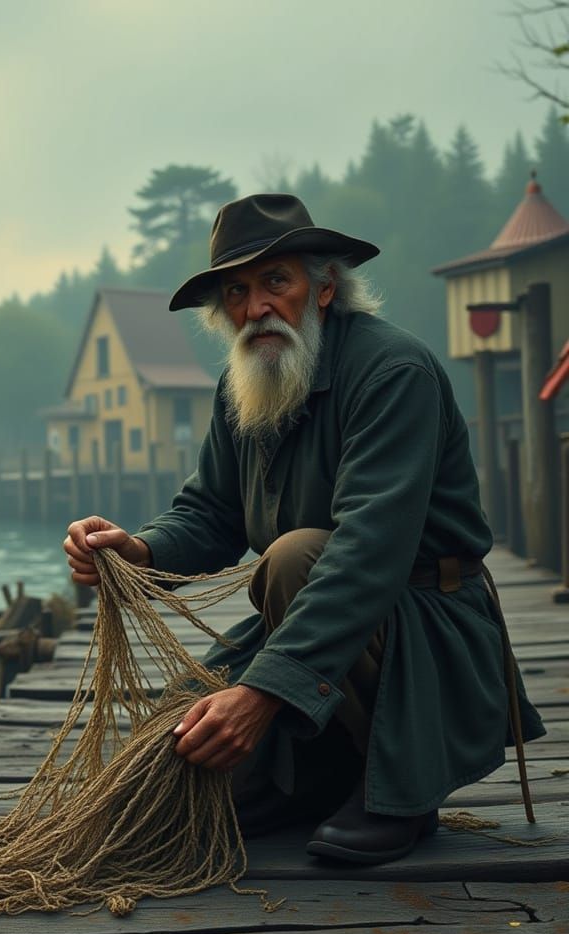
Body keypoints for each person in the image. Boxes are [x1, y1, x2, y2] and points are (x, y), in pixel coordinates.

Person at [64, 193, 545, 865]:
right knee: (159, 789)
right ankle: (333, 767)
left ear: (323, 289)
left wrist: (260, 695)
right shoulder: (243, 387)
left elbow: (366, 552)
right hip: (314, 638)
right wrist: (136, 550)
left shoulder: (391, 371)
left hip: (423, 633)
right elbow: (210, 514)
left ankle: (397, 791)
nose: (257, 305)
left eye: (276, 282)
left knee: (293, 558)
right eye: (238, 290)